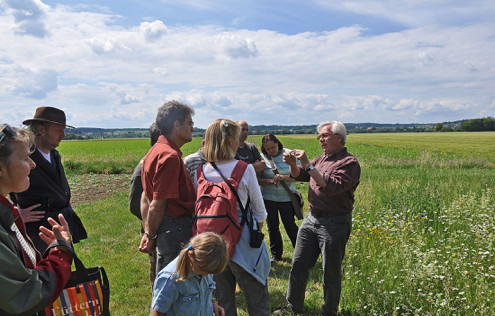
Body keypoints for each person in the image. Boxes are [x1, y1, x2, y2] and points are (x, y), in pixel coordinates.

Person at [275, 121, 361, 316]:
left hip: (335, 223)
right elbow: (302, 176)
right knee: (298, 265)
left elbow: (331, 186)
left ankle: (328, 311)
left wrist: (306, 163)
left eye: (325, 135)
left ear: (338, 138)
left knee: (330, 272)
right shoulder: (322, 158)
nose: (321, 139)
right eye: (319, 136)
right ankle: (292, 306)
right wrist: (293, 165)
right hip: (312, 219)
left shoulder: (349, 163)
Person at [196, 119, 271, 316]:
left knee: (222, 301)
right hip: (244, 242)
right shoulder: (244, 169)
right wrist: (254, 231)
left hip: (212, 245)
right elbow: (260, 211)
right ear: (230, 141)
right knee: (257, 299)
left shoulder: (202, 171)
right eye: (237, 138)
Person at [0, 123, 73, 315]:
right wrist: (61, 252)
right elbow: (23, 295)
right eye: (25, 158)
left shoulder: (6, 214)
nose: (33, 164)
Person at [10, 106, 87, 254]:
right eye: (59, 130)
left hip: (60, 227)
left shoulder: (54, 155)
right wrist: (16, 215)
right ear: (41, 130)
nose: (63, 135)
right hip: (38, 232)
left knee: (63, 268)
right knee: (43, 273)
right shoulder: (24, 157)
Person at [139, 100, 196, 276]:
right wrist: (151, 236)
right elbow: (157, 203)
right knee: (174, 285)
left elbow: (145, 198)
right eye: (190, 123)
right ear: (176, 125)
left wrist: (149, 231)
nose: (193, 128)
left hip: (169, 229)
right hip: (175, 230)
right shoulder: (169, 157)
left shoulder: (156, 151)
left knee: (167, 281)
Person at [151, 232, 229, 316]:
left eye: (210, 272)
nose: (207, 275)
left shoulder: (206, 265)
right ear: (191, 255)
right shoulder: (170, 279)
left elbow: (208, 290)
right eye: (204, 270)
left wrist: (214, 305)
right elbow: (158, 311)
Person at [258, 133, 299, 262]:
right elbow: (258, 180)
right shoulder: (262, 157)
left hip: (286, 198)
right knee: (272, 227)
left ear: (278, 143)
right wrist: (270, 181)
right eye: (267, 149)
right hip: (268, 198)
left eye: (273, 147)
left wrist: (283, 177)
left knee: (290, 226)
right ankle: (276, 255)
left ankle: (301, 253)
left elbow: (296, 176)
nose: (270, 151)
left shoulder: (289, 154)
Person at [129, 122, 161, 285]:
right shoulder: (143, 167)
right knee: (158, 268)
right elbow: (135, 205)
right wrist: (152, 222)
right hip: (153, 228)